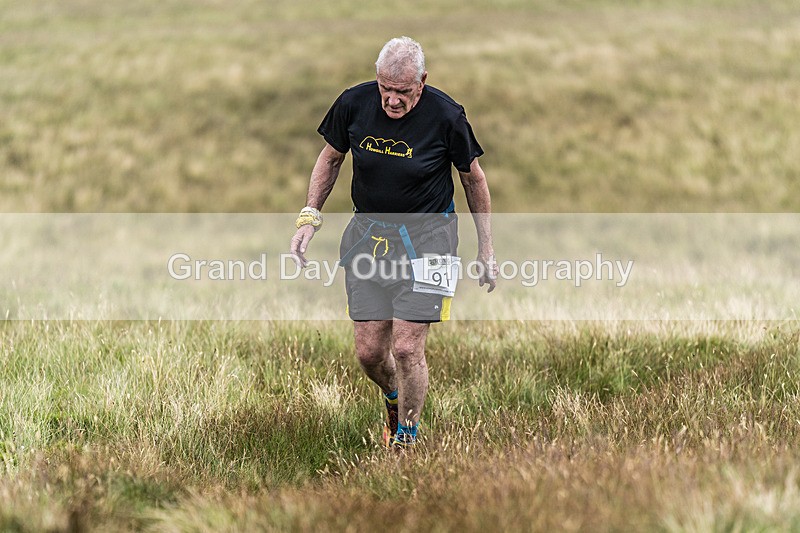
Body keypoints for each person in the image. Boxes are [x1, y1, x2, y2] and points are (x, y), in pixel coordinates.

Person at [290, 36, 497, 448]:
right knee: (369, 353)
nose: (392, 101)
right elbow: (330, 158)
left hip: (432, 239)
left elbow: (473, 179)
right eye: (385, 88)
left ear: (422, 82)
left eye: (402, 92)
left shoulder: (447, 116)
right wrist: (309, 217)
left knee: (405, 348)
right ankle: (393, 399)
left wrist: (485, 248)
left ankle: (407, 439)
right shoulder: (353, 103)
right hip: (368, 238)